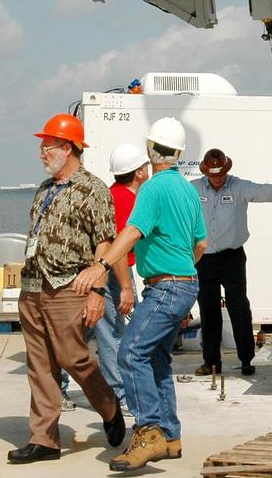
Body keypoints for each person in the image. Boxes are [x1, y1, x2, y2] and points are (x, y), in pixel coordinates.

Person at [75, 117, 205, 472]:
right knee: (157, 360)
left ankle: (148, 433)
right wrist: (182, 272)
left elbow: (132, 231)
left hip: (166, 286)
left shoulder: (152, 189)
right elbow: (202, 243)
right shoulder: (188, 189)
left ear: (151, 150)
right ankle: (171, 436)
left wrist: (100, 266)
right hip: (185, 283)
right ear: (179, 152)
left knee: (130, 353)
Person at [8, 113, 125, 465]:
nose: (42, 154)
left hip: (69, 287)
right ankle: (44, 439)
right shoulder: (44, 190)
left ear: (69, 148)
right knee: (40, 365)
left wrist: (97, 292)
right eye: (42, 148)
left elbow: (104, 244)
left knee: (73, 357)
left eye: (48, 147)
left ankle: (108, 407)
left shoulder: (94, 189)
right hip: (33, 288)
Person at [190, 148, 272, 376]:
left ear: (227, 170)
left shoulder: (239, 187)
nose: (218, 179)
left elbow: (263, 192)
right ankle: (211, 362)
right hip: (204, 258)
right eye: (213, 175)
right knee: (208, 310)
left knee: (239, 307)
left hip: (232, 257)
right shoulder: (194, 189)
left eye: (221, 175)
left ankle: (246, 359)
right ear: (206, 173)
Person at [95, 142, 150, 408]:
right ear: (138, 172)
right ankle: (119, 395)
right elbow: (116, 246)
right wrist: (126, 287)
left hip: (118, 272)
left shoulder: (114, 194)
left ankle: (61, 385)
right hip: (116, 273)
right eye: (145, 166)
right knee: (114, 333)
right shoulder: (125, 200)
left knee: (91, 332)